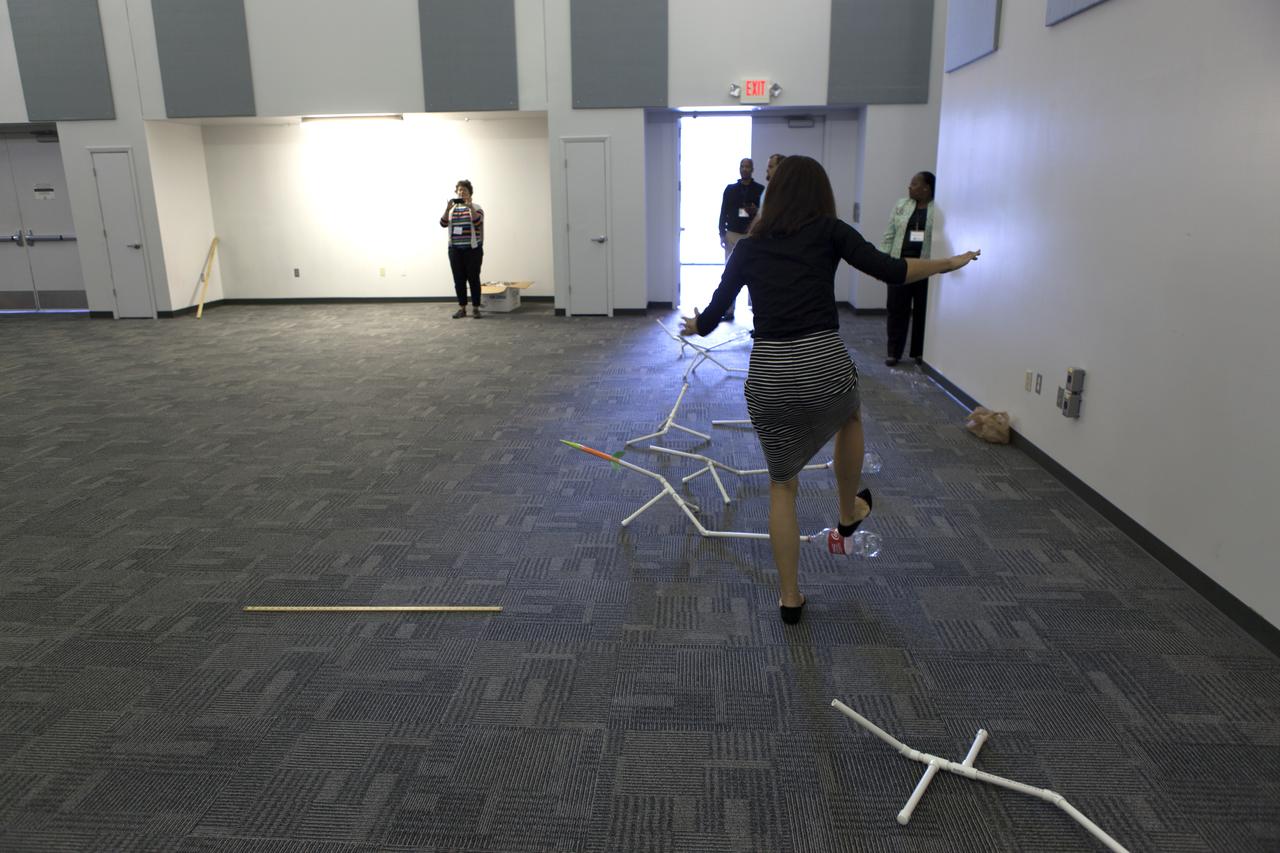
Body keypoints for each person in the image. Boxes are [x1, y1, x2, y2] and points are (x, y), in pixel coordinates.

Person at [681, 156, 979, 625]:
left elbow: (716, 314)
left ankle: (789, 598)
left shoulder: (749, 247)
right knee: (850, 415)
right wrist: (948, 263)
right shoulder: (829, 230)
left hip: (771, 373)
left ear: (773, 194)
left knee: (782, 485)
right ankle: (846, 512)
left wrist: (696, 324)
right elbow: (893, 270)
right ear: (819, 192)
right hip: (824, 363)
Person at [879, 171, 937, 365]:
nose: (909, 187)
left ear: (926, 188)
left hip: (924, 267)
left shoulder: (937, 209)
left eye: (914, 184)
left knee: (922, 310)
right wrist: (882, 260)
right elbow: (890, 232)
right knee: (896, 310)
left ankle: (919, 352)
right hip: (899, 265)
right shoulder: (901, 205)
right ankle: (893, 352)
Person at [717, 158, 764, 320]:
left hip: (753, 236)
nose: (744, 169)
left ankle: (758, 312)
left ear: (752, 169)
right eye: (742, 166)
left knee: (756, 274)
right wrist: (721, 233)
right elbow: (723, 211)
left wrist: (755, 210)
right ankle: (728, 311)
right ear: (739, 169)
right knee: (730, 273)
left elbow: (763, 213)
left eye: (748, 166)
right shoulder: (730, 189)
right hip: (732, 234)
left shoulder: (760, 190)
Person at [440, 180, 485, 318]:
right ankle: (462, 308)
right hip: (455, 250)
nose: (461, 192)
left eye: (464, 190)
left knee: (473, 279)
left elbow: (478, 222)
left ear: (470, 193)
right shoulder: (452, 209)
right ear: (456, 192)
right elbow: (443, 223)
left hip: (472, 250)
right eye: (459, 190)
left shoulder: (477, 207)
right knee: (458, 280)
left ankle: (476, 308)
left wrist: (470, 207)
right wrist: (447, 209)